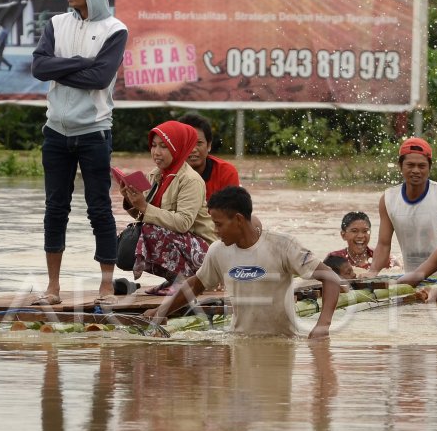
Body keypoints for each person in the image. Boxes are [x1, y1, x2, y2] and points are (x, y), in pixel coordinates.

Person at [30, 0, 128, 305]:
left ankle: (105, 285)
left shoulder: (115, 30)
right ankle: (53, 287)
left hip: (94, 133)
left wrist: (62, 68)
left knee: (99, 207)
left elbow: (100, 79)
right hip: (55, 131)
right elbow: (39, 67)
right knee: (55, 207)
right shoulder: (56, 24)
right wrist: (81, 63)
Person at [144, 186, 348, 339]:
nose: (215, 231)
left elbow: (330, 278)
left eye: (218, 224)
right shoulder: (218, 251)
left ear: (239, 220)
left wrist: (323, 325)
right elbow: (196, 284)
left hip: (281, 342)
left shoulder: (283, 246)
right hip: (239, 340)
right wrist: (161, 311)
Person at [119, 121, 215, 293]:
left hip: (205, 254)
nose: (156, 152)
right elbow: (146, 216)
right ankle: (175, 279)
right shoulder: (155, 175)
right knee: (138, 234)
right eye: (154, 146)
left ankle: (186, 280)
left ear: (178, 148)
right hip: (182, 244)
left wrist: (144, 206)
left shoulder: (190, 180)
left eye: (164, 146)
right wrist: (131, 201)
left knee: (150, 231)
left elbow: (183, 223)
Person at [370, 137, 437, 274]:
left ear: (429, 167)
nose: (416, 170)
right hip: (410, 278)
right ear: (400, 166)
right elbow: (383, 244)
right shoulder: (388, 199)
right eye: (410, 165)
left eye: (421, 166)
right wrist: (373, 271)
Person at [180, 113, 240, 199]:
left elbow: (231, 211)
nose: (193, 149)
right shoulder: (166, 174)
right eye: (188, 143)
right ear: (178, 146)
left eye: (199, 143)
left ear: (209, 145)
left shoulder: (226, 173)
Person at [326, 210, 399, 277]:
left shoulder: (384, 258)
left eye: (365, 231)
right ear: (343, 235)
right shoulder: (335, 259)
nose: (360, 236)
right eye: (354, 231)